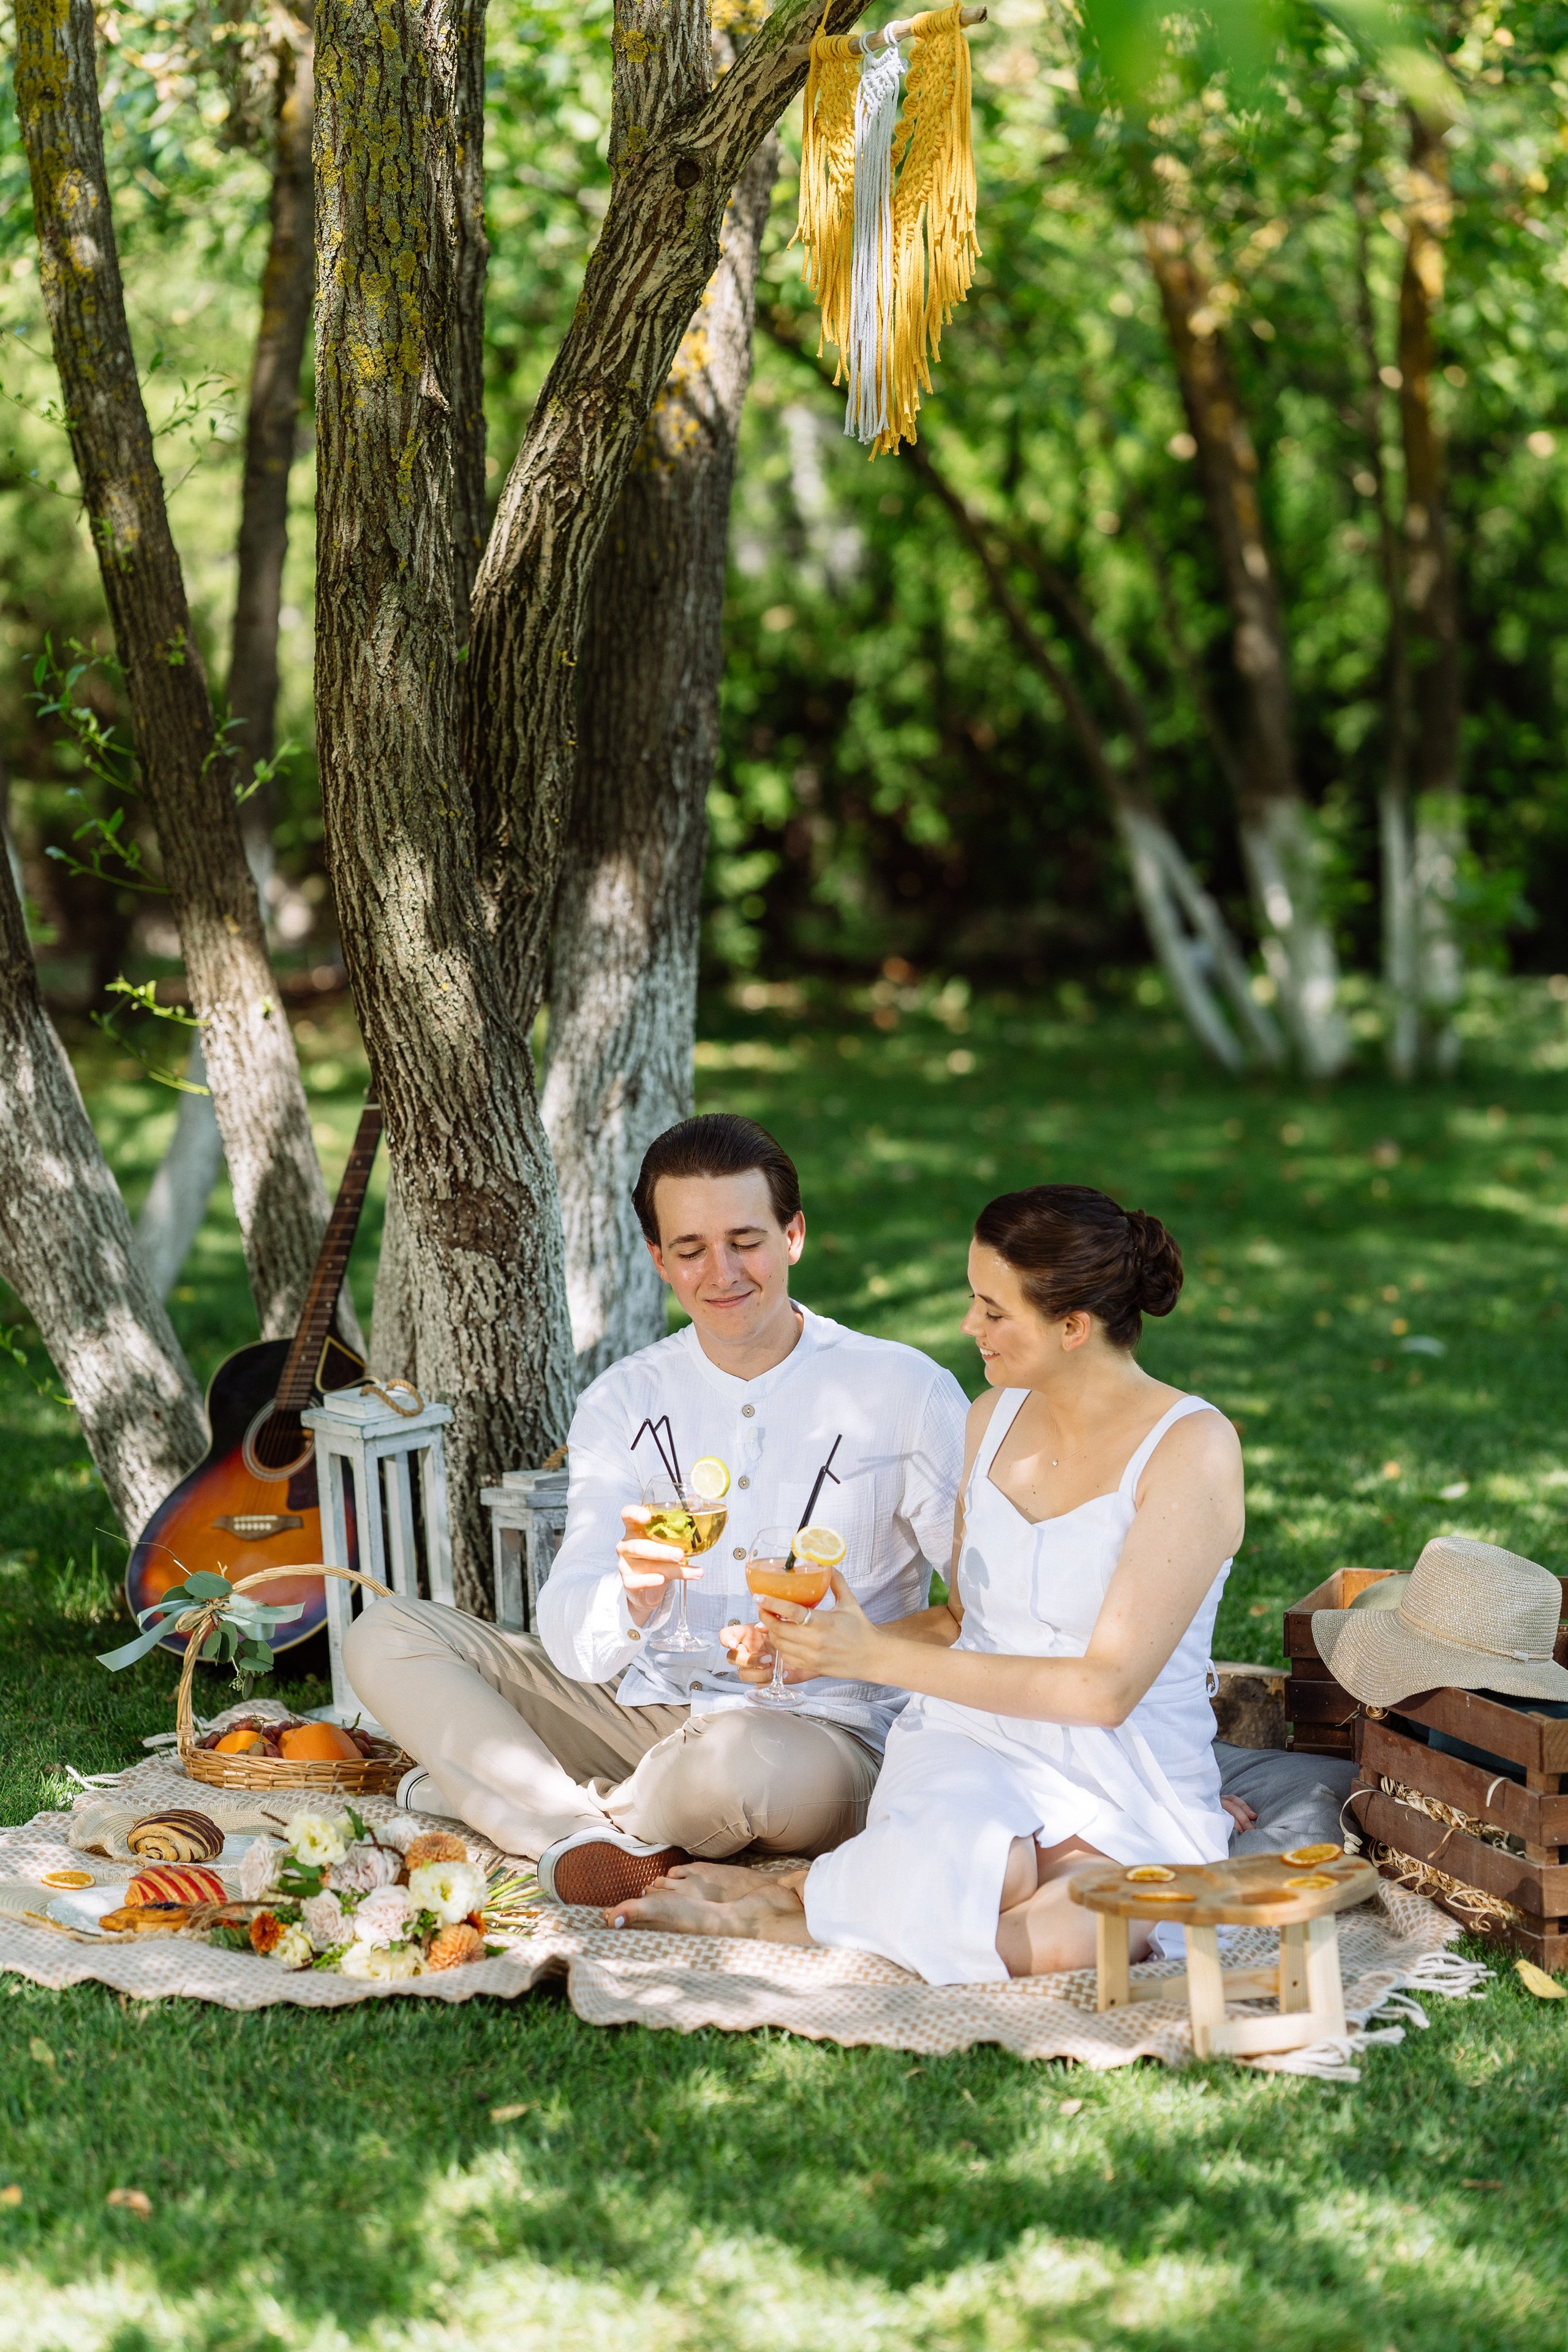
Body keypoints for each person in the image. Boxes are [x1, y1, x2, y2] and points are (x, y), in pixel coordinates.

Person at [604, 1183, 1247, 1981]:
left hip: (1130, 1763)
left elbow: (1104, 1691)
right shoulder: (992, 1419)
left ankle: (791, 1919)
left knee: (1102, 1922)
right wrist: (817, 1646)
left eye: (993, 1310)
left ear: (1074, 1328)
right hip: (975, 1738)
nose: (969, 1327)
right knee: (988, 1865)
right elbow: (958, 1619)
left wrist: (872, 1658)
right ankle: (832, 1895)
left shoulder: (1191, 1449)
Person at [342, 1113, 968, 1908]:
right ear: (658, 1260)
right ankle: (576, 1832)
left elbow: (976, 1608)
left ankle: (522, 1807)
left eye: (746, 1240)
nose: (723, 1272)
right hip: (639, 1703)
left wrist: (852, 1648)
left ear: (793, 1236)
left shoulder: (904, 1392)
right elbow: (572, 1640)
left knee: (735, 1771)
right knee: (387, 1635)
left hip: (814, 1729)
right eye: (691, 1249)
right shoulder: (625, 1401)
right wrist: (632, 1598)